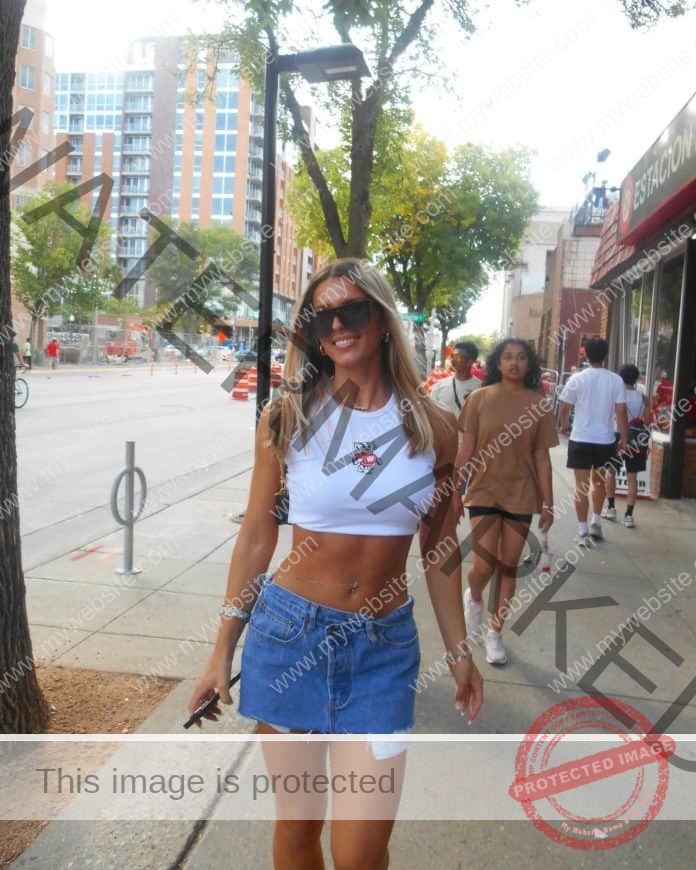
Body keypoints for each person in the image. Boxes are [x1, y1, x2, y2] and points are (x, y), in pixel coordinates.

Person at [188, 258, 483, 870]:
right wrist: (221, 650)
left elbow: (440, 549)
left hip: (383, 650)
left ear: (380, 321)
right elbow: (255, 537)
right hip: (288, 638)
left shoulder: (437, 431)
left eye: (353, 310)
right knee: (297, 831)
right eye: (322, 317)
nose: (338, 326)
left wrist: (459, 650)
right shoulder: (287, 418)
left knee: (360, 851)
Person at [455, 338, 557, 666]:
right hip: (484, 491)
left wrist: (549, 503)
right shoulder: (479, 399)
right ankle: (473, 597)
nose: (514, 362)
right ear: (497, 363)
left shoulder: (539, 404)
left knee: (508, 564)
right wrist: (455, 492)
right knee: (483, 565)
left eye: (521, 358)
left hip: (521, 495)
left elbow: (542, 458)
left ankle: (495, 633)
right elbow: (466, 449)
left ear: (530, 365)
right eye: (508, 357)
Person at [558, 337, 628, 546]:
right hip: (605, 439)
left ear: (585, 354)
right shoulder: (616, 380)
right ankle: (596, 520)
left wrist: (563, 425)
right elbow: (621, 412)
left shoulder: (576, 379)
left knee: (581, 485)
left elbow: (565, 407)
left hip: (580, 438)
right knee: (598, 481)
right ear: (606, 355)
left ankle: (582, 529)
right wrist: (624, 437)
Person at [602, 364, 650, 528]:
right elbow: (647, 422)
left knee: (611, 473)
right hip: (636, 440)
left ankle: (610, 508)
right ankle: (629, 516)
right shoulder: (643, 398)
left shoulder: (616, 395)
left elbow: (610, 416)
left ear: (620, 378)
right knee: (632, 478)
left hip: (616, 436)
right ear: (636, 378)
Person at [429, 340, 481, 417]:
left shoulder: (480, 387)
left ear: (470, 361)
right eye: (453, 356)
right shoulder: (439, 385)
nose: (453, 360)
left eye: (457, 357)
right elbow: (430, 411)